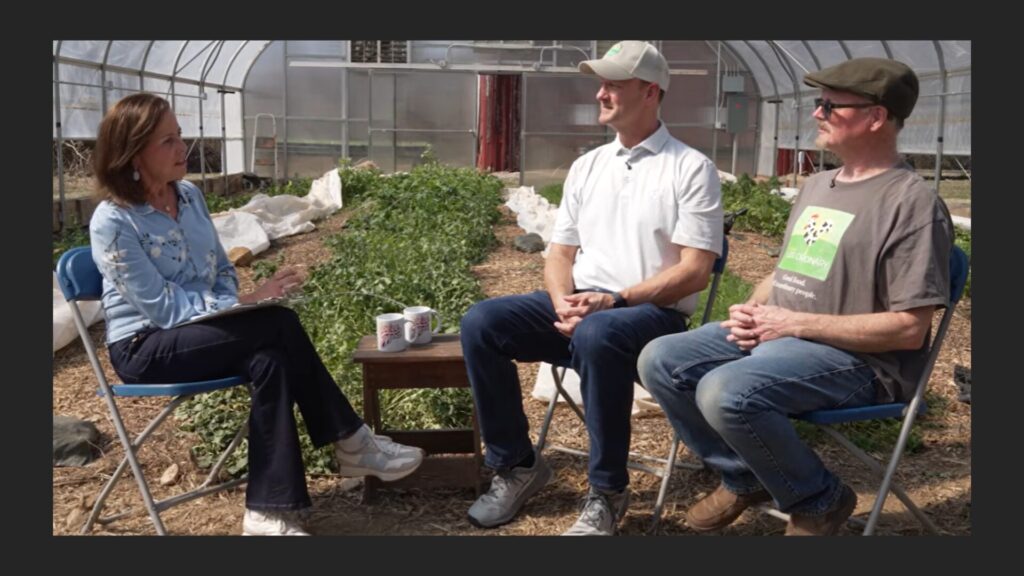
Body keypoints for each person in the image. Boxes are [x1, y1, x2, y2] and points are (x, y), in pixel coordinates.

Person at [637, 57, 953, 536]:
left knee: (725, 391)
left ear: (876, 117)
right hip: (784, 338)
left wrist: (793, 324)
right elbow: (788, 271)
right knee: (660, 359)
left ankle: (818, 499)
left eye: (831, 106)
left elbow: (909, 330)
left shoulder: (911, 204)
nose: (817, 113)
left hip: (860, 364)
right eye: (818, 103)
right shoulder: (817, 186)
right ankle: (745, 475)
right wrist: (753, 310)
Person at [88, 93, 424, 536]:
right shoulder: (114, 221)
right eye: (167, 141)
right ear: (133, 154)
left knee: (271, 360)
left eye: (180, 136)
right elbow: (164, 309)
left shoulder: (188, 196)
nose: (183, 148)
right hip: (145, 346)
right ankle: (352, 441)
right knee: (278, 323)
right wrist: (244, 305)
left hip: (204, 331)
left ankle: (267, 511)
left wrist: (236, 301)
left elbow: (221, 271)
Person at [460, 41, 723, 536]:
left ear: (650, 92)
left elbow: (695, 272)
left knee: (599, 334)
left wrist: (616, 300)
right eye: (601, 84)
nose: (601, 94)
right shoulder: (589, 165)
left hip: (652, 314)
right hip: (585, 307)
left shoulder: (690, 168)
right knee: (482, 323)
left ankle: (607, 491)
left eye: (614, 85)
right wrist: (562, 302)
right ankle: (516, 465)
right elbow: (560, 255)